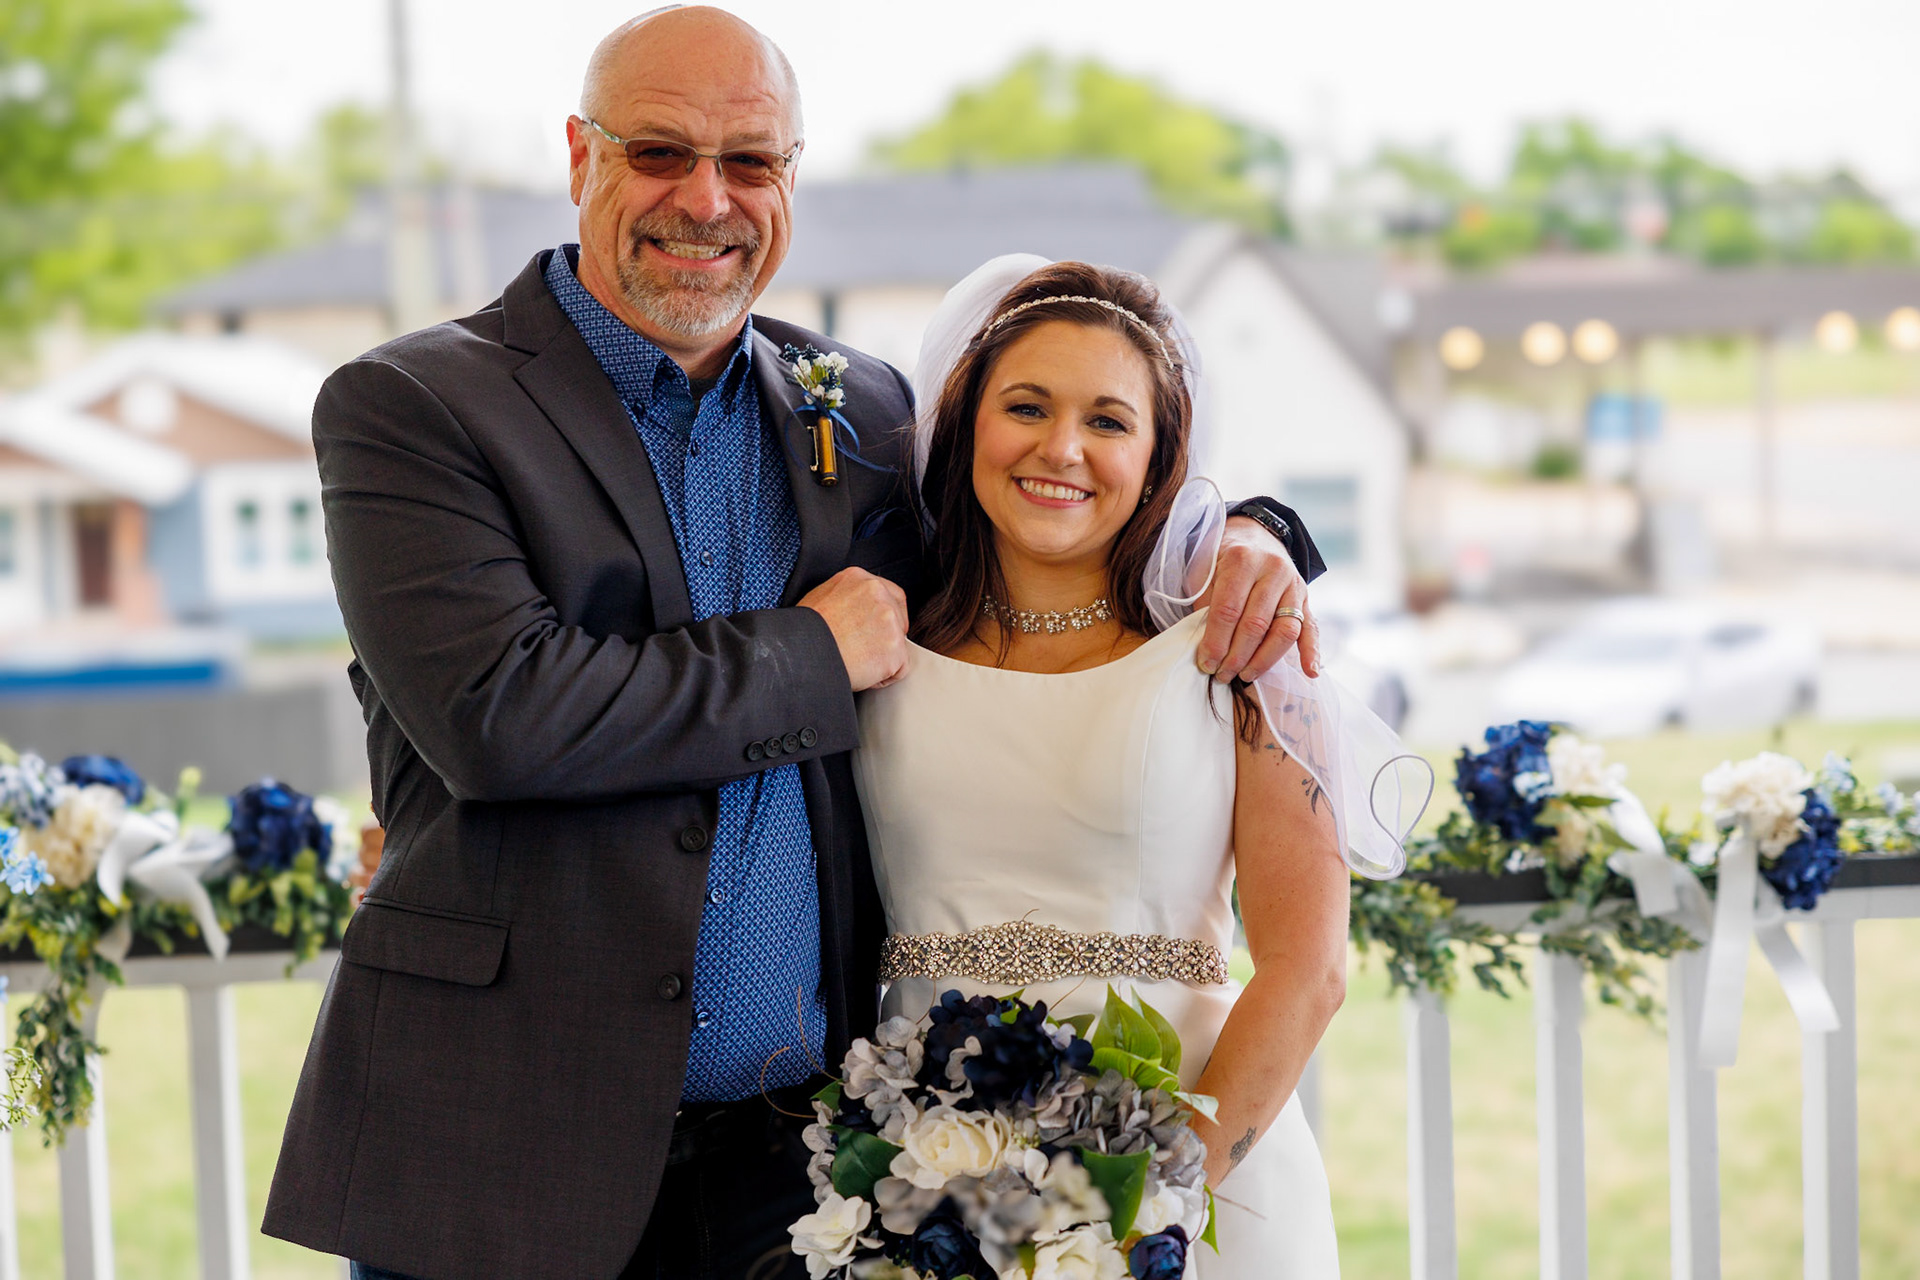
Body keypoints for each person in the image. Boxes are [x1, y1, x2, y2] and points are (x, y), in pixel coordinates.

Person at [263, 9, 1326, 1279]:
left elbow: (1051, 513)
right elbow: (500, 714)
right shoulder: (413, 404)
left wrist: (1252, 532)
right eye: (661, 151)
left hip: (803, 1168)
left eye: (751, 161)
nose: (707, 199)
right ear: (580, 155)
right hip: (502, 1144)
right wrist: (812, 655)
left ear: (791, 177)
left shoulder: (862, 409)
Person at [852, 258, 1362, 1275]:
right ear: (965, 422)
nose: (1062, 448)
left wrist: (1150, 1211)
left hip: (1195, 1197)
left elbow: (1310, 971)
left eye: (1108, 421)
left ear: (1161, 455)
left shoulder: (1240, 650)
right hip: (935, 1191)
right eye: (1026, 407)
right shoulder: (876, 649)